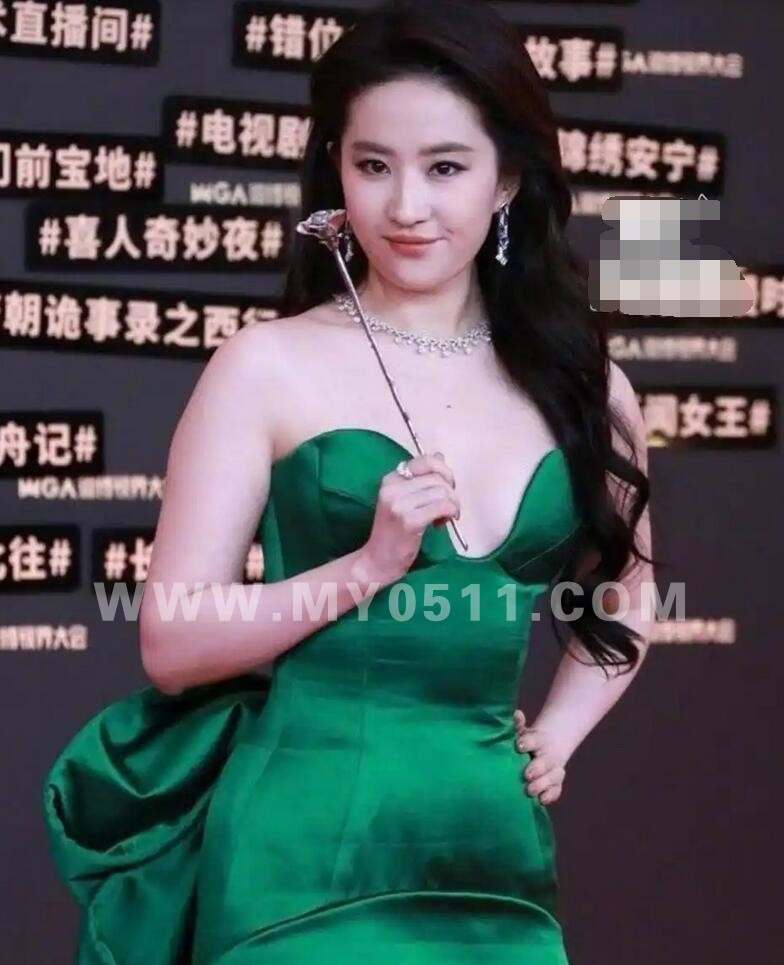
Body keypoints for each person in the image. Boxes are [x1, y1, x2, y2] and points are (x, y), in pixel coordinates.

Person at [41, 1, 655, 962]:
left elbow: (632, 588)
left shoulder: (586, 385)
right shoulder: (265, 366)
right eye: (373, 165)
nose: (405, 206)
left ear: (507, 178)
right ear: (336, 168)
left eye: (444, 167)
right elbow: (172, 639)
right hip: (298, 852)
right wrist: (365, 567)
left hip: (491, 852)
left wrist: (561, 731)